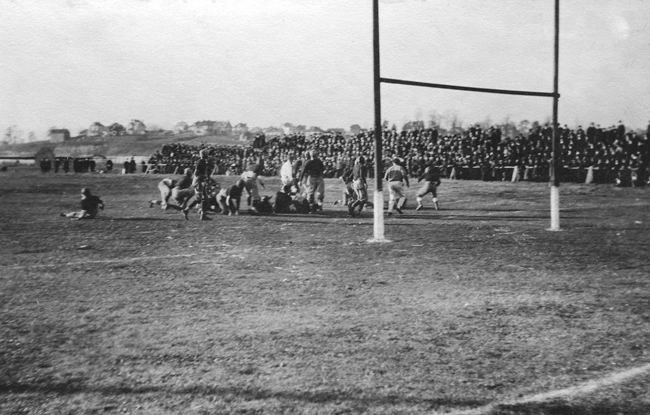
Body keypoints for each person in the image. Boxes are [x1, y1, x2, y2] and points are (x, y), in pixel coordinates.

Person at [182, 149, 214, 220]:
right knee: (200, 198)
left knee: (205, 198)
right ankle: (187, 210)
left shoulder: (204, 161)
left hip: (201, 181)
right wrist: (204, 177)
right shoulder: (200, 161)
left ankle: (203, 215)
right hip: (198, 181)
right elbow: (196, 173)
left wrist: (206, 178)